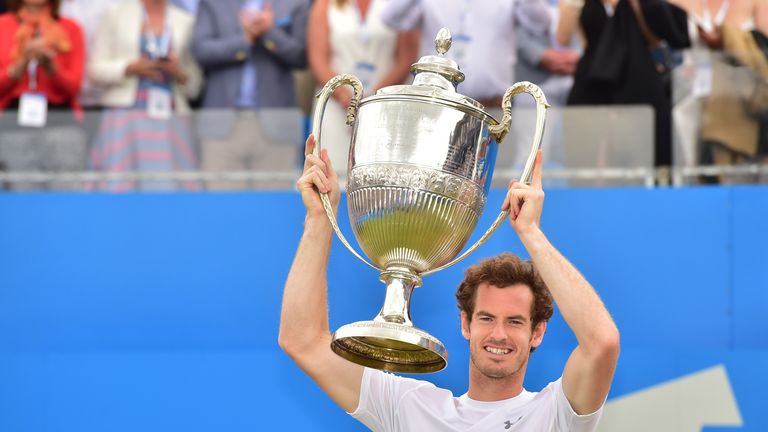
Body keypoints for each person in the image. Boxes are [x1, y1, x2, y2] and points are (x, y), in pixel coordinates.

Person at [279, 135, 620, 430]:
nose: (498, 334)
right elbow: (303, 341)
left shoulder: (557, 414)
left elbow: (602, 342)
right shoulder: (408, 407)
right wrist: (319, 219)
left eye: (515, 321)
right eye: (486, 318)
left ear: (538, 332)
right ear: (465, 323)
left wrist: (530, 232)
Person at [558, 0, 689, 173]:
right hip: (593, 80)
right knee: (585, 147)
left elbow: (658, 38)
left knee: (644, 147)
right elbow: (562, 38)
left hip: (636, 79)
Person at [192, 0, 311, 190]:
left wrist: (269, 33)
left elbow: (303, 56)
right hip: (221, 124)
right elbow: (201, 51)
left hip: (276, 125)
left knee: (272, 207)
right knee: (221, 207)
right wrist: (245, 40)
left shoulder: (296, 3)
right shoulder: (212, 3)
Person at [87, 0, 203, 191]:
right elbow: (95, 71)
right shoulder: (115, 14)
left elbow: (195, 86)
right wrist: (130, 68)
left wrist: (177, 72)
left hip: (169, 120)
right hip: (124, 119)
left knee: (170, 188)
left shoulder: (186, 20)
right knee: (119, 186)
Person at [307, 0, 419, 169]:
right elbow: (318, 59)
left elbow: (407, 58)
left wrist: (373, 98)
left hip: (386, 107)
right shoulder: (324, 4)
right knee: (330, 172)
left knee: (381, 178)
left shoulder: (400, 4)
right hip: (336, 109)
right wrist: (347, 98)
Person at [380, 0, 552, 108]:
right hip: (438, 105)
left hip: (492, 107)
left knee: (495, 166)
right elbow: (391, 18)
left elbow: (540, 24)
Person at [0, 0, 87, 190]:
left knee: (66, 197)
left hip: (61, 124)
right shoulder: (3, 26)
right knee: (20, 199)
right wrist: (20, 64)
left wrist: (51, 66)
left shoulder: (70, 28)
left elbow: (74, 87)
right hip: (14, 125)